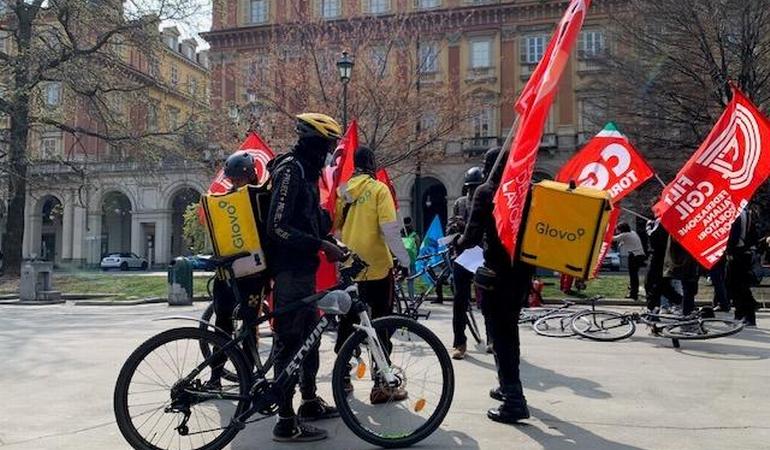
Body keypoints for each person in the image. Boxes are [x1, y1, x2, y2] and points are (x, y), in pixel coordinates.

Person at [265, 113, 346, 442]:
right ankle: (285, 421)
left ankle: (309, 402)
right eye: (328, 145)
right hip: (288, 272)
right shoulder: (290, 171)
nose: (329, 152)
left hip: (305, 271)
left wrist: (330, 234)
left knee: (311, 338)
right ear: (314, 141)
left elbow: (309, 219)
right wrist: (319, 243)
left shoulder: (308, 173)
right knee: (289, 345)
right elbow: (278, 226)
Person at [454, 147, 533, 424]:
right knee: (509, 332)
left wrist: (457, 244)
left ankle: (514, 399)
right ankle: (507, 386)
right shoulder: (527, 190)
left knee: (501, 335)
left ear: (490, 166)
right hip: (521, 273)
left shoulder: (487, 191)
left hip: (496, 273)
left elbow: (472, 235)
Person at [333, 146, 411, 403]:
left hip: (349, 268)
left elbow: (336, 231)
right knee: (381, 325)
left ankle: (343, 378)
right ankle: (381, 384)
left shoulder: (343, 192)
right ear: (373, 164)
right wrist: (404, 259)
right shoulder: (379, 189)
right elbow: (389, 228)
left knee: (347, 324)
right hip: (377, 267)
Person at [447, 166, 483, 360]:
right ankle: (459, 342)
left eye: (476, 188)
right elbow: (449, 230)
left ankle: (493, 339)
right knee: (459, 302)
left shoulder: (487, 204)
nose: (472, 192)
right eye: (470, 188)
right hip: (462, 258)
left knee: (488, 302)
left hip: (482, 257)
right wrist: (457, 228)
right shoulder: (460, 204)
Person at [726, 206, 759, 326]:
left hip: (737, 252)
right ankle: (742, 313)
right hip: (745, 252)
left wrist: (729, 251)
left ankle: (746, 314)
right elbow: (754, 235)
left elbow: (733, 235)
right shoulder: (748, 213)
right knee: (738, 285)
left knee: (737, 285)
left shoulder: (736, 214)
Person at [613, 223, 646, 301]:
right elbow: (628, 240)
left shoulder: (625, 234)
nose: (618, 231)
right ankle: (634, 291)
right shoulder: (633, 232)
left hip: (634, 256)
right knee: (634, 275)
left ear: (622, 229)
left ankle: (633, 293)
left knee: (633, 275)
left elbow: (613, 239)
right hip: (640, 255)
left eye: (618, 229)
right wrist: (622, 242)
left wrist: (606, 232)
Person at [644, 217, 669, 312]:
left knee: (651, 283)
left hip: (657, 255)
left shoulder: (660, 221)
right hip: (662, 256)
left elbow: (652, 236)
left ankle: (653, 308)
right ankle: (654, 307)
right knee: (660, 284)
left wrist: (648, 226)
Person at [401, 217, 420, 299]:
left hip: (401, 259)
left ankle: (396, 293)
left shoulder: (401, 233)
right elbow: (418, 244)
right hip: (411, 259)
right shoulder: (414, 234)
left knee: (400, 278)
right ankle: (411, 298)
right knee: (410, 280)